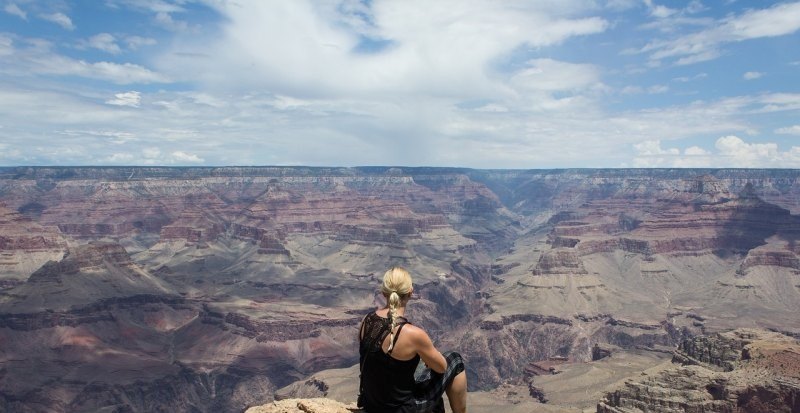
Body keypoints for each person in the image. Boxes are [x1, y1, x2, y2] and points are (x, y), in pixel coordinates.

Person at [358, 266, 467, 413]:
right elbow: (441, 368)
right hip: (402, 410)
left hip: (371, 406)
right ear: (410, 292)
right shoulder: (412, 334)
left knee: (418, 376)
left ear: (384, 293)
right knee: (455, 359)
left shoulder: (366, 321)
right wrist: (428, 356)